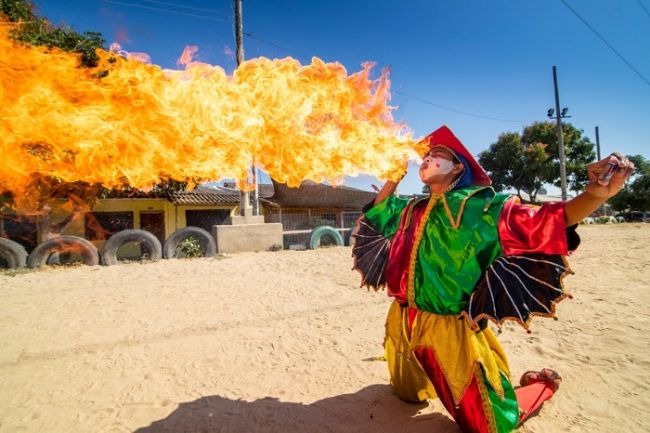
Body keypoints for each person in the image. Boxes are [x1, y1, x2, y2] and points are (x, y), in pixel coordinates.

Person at [352, 125, 633, 433]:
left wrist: (595, 194)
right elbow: (378, 211)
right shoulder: (412, 208)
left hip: (449, 329)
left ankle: (539, 384)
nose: (427, 158)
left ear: (458, 167)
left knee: (488, 424)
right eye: (426, 155)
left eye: (437, 154)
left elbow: (547, 221)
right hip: (402, 319)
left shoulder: (483, 207)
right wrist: (393, 176)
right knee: (407, 396)